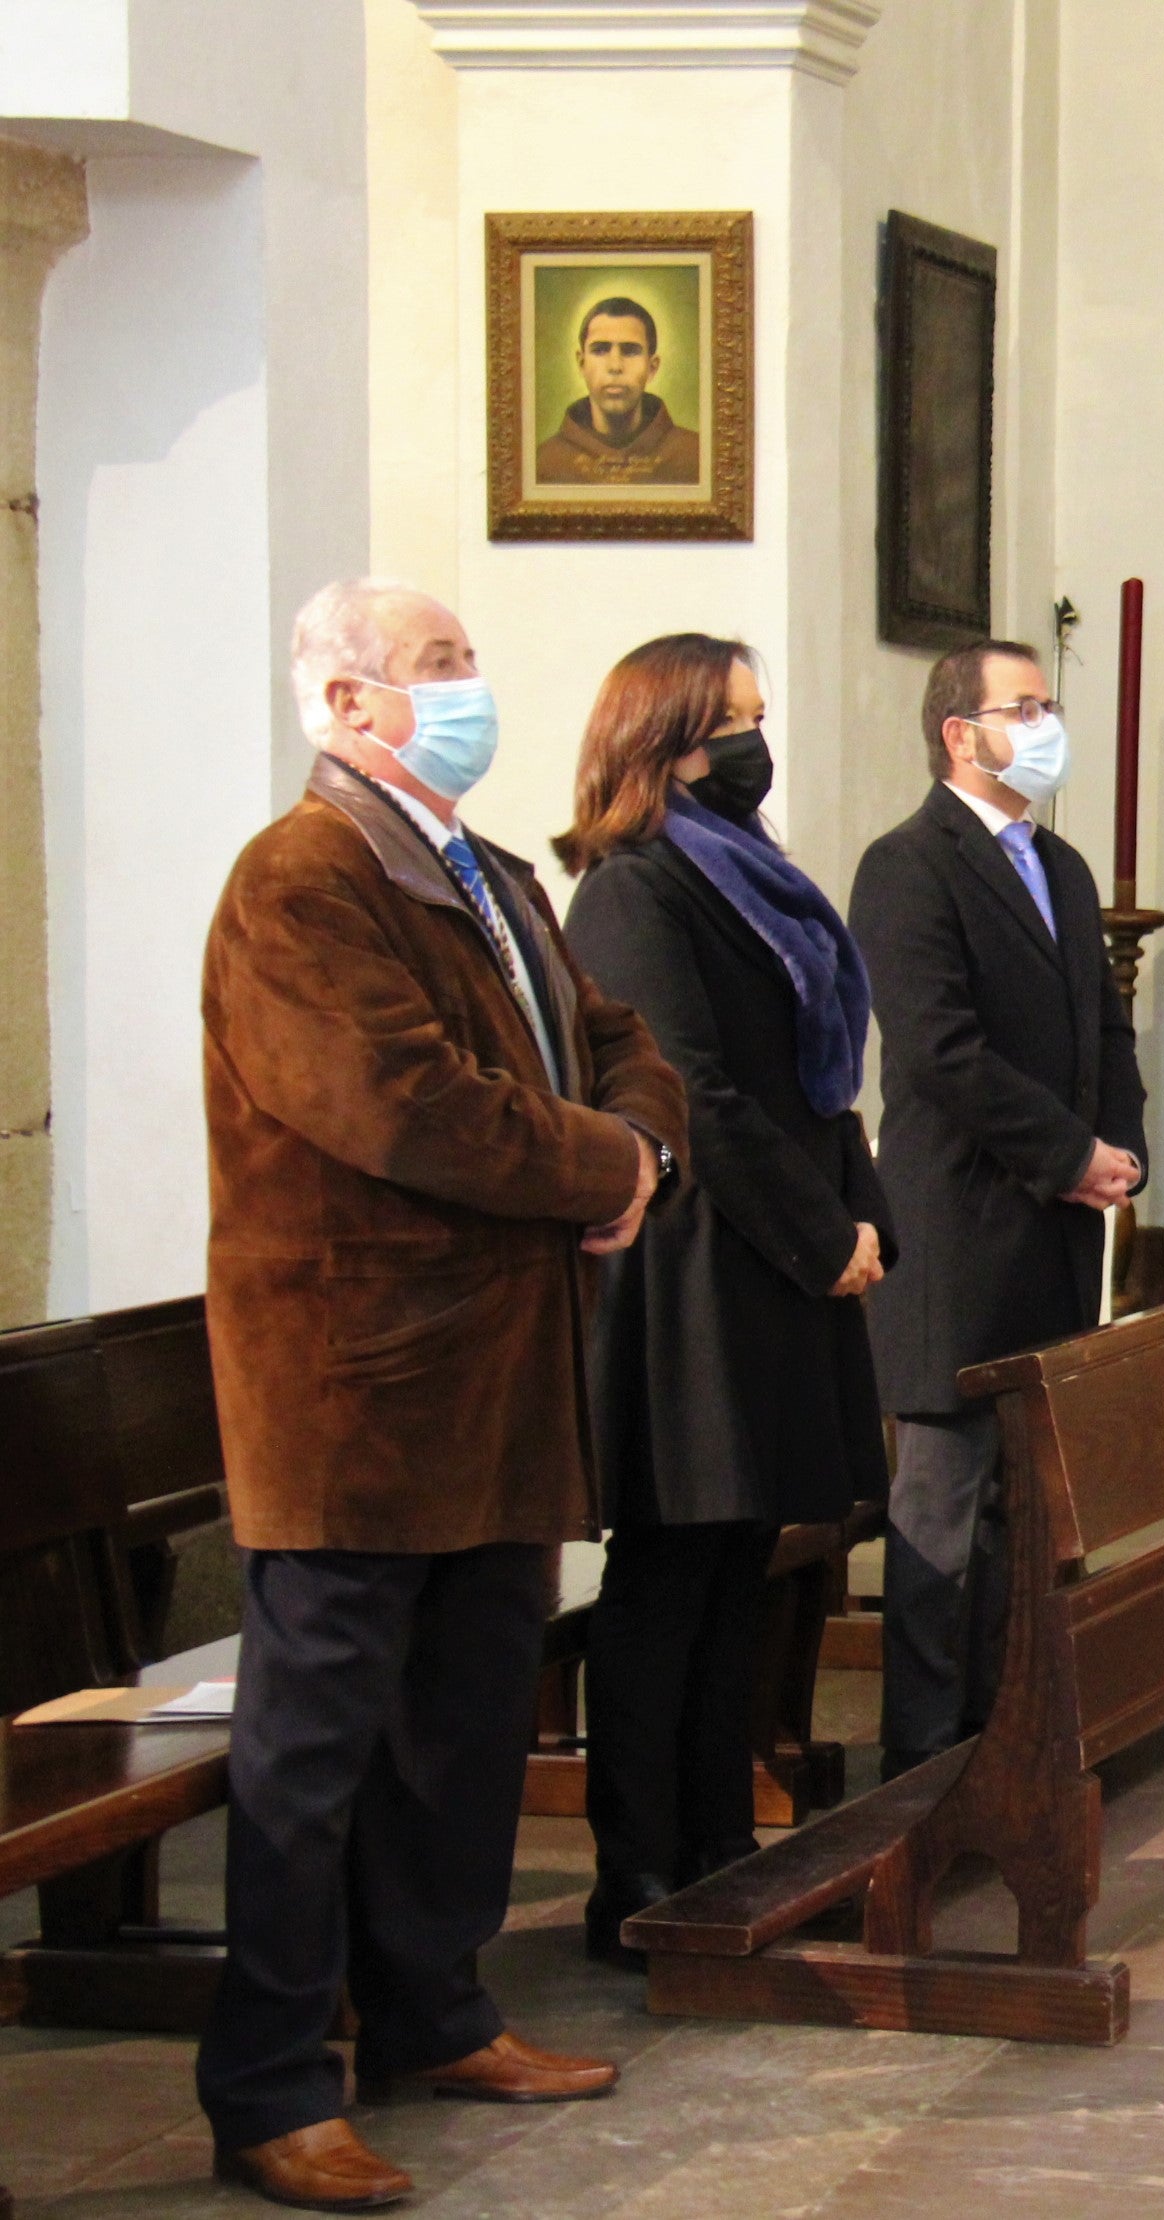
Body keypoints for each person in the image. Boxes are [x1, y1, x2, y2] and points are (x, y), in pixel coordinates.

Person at [196, 579, 688, 2211]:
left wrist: (640, 1142)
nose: (468, 687)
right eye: (435, 667)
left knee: (461, 1734)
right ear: (342, 705)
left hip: (490, 1384)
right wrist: (607, 1165)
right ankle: (273, 2089)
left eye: (469, 659)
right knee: (313, 1756)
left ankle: (437, 2010)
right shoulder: (303, 884)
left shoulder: (485, 874)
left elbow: (614, 1038)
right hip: (357, 1393)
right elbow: (407, 1110)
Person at [553, 635, 893, 1969]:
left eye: (759, 720)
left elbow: (817, 1079)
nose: (753, 749)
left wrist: (868, 1218)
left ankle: (716, 1847)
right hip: (694, 1280)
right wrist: (819, 1240)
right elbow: (695, 1090)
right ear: (660, 746)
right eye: (727, 728)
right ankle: (634, 1874)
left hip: (772, 1267)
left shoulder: (752, 879)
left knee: (736, 1568)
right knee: (667, 1576)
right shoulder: (631, 891)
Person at [851, 641, 1145, 1778]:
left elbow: (1100, 1031)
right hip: (960, 1230)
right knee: (941, 1509)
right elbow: (937, 1052)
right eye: (1022, 706)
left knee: (1026, 1510)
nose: (1045, 721)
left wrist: (1116, 1150)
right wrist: (1066, 1152)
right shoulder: (908, 866)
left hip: (1057, 1228)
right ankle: (922, 1764)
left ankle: (1004, 1737)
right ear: (959, 734)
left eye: (1049, 703)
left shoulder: (1060, 868)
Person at [536, 296, 703, 487]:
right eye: (600, 350)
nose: (615, 366)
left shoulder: (697, 458)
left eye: (630, 351)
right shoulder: (544, 464)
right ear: (582, 364)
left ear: (652, 367)